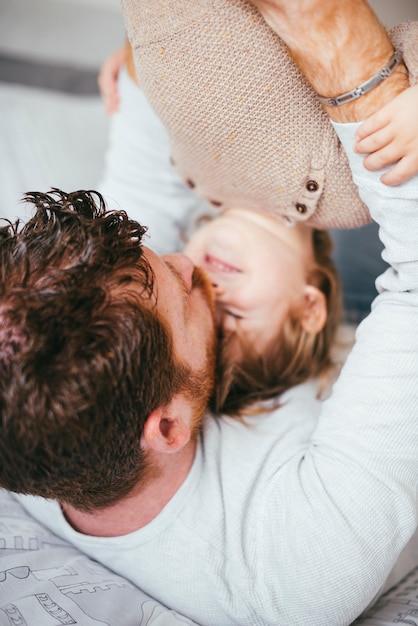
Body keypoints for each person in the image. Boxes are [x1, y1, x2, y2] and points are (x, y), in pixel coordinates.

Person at [1, 2, 418, 626]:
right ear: (167, 427)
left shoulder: (33, 418)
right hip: (364, 291)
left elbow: (144, 200)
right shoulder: (296, 571)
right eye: (183, 287)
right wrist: (361, 78)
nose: (186, 260)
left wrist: (159, 77)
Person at [98, 47, 343, 416]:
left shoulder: (193, 164)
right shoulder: (358, 189)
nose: (210, 293)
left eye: (188, 301)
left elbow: (156, 46)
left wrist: (149, 64)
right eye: (233, 319)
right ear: (308, 308)